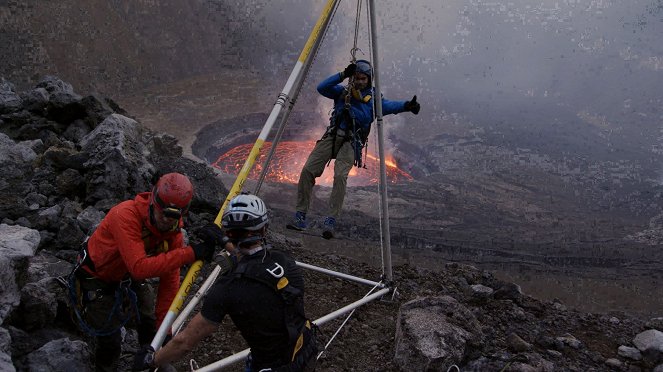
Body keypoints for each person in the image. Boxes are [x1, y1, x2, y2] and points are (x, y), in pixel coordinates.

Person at [133, 194, 317, 372]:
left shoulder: (227, 288)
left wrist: (152, 360)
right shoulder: (284, 261)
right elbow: (254, 261)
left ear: (229, 231)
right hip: (305, 351)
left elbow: (185, 342)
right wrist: (225, 242)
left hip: (272, 366)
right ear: (264, 229)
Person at [68, 172, 224, 372]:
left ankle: (150, 362)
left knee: (149, 321)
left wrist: (165, 331)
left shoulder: (172, 234)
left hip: (125, 276)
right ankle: (105, 367)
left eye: (174, 216)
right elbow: (139, 268)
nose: (167, 221)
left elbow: (169, 281)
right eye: (164, 213)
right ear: (153, 201)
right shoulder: (125, 215)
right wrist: (190, 253)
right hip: (96, 277)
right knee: (110, 340)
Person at [287, 59, 421, 238]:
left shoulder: (373, 102)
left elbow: (390, 106)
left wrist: (406, 106)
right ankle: (300, 216)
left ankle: (330, 220)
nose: (359, 81)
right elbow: (322, 87)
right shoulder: (342, 93)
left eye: (363, 79)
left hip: (351, 143)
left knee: (340, 176)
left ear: (369, 80)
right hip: (333, 137)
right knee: (307, 170)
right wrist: (343, 74)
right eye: (356, 78)